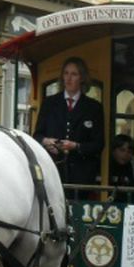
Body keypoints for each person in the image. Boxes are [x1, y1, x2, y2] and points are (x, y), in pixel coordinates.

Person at [32, 57, 105, 189]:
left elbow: (99, 144)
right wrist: (46, 141)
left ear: (82, 78)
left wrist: (76, 146)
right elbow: (37, 136)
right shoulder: (49, 103)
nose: (68, 78)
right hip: (52, 172)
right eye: (66, 73)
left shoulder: (94, 108)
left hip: (82, 176)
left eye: (74, 74)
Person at [107, 134, 134, 205]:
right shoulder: (104, 167)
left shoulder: (133, 168)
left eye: (129, 152)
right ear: (113, 150)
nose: (125, 154)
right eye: (122, 150)